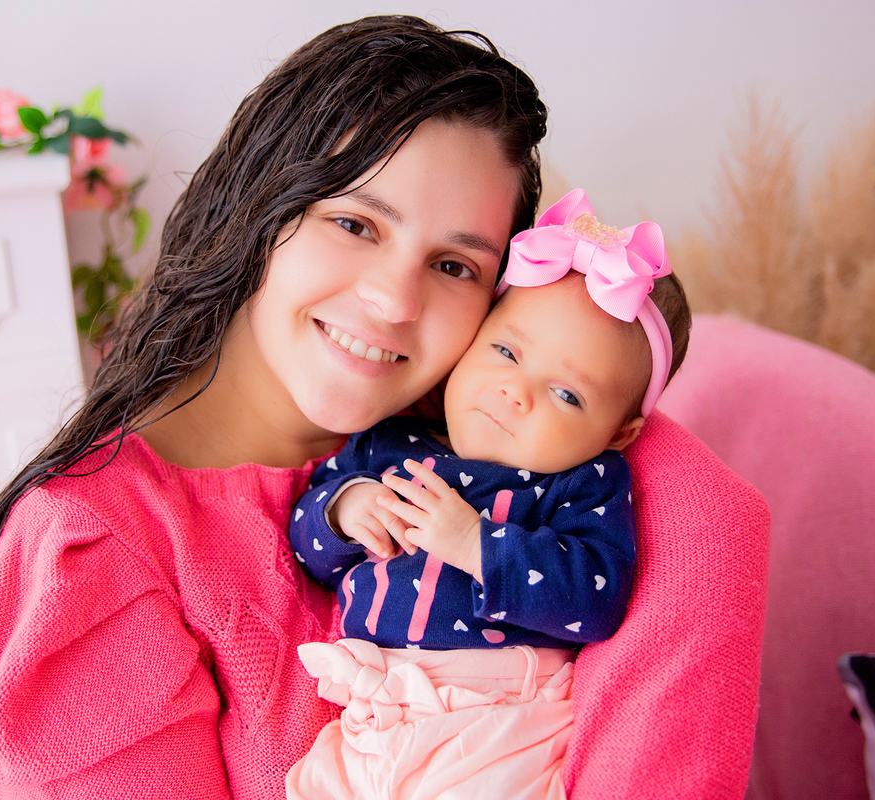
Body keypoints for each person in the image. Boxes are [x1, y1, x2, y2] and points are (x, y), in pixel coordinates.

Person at [0, 15, 766, 800]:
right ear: (259, 210)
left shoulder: (576, 466)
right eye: (357, 224)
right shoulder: (95, 554)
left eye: (453, 266)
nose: (392, 300)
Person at [285, 189, 690, 799]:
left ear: (619, 433)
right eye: (504, 353)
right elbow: (305, 541)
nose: (514, 392)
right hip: (371, 711)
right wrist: (346, 509)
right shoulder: (393, 441)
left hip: (499, 722)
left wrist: (475, 544)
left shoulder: (583, 484)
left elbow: (595, 599)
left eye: (567, 395)